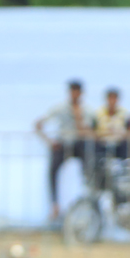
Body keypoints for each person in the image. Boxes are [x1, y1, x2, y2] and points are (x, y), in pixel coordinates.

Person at [34, 80, 96, 221]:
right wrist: (49, 141)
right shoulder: (60, 108)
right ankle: (55, 205)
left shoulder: (87, 110)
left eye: (77, 92)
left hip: (80, 144)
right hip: (62, 144)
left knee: (90, 171)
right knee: (53, 171)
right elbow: (38, 124)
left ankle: (88, 203)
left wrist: (78, 117)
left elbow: (89, 131)